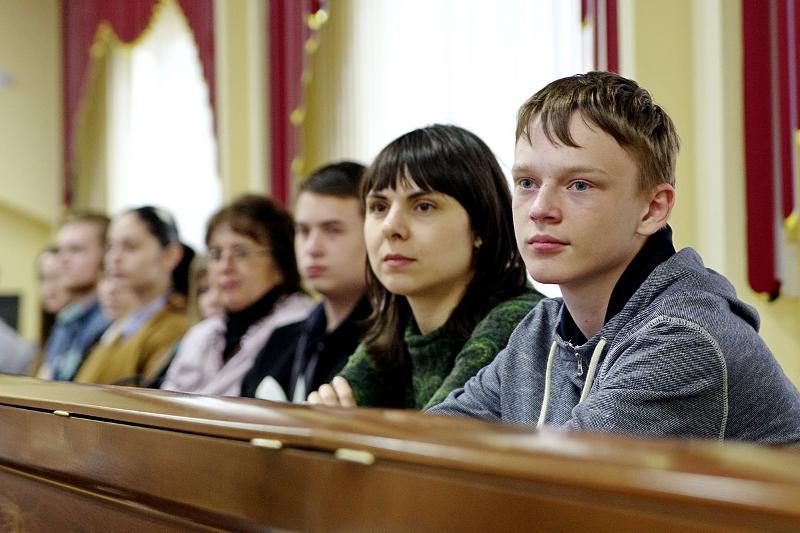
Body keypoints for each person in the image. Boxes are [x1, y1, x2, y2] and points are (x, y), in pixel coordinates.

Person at [428, 71, 800, 444]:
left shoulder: (684, 339)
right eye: (527, 183)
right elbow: (428, 445)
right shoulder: (541, 330)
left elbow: (565, 477)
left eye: (579, 185)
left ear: (653, 209)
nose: (539, 209)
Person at [308, 125, 543, 410]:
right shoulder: (397, 323)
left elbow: (437, 430)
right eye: (379, 207)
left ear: (480, 226)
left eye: (423, 206)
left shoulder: (521, 321)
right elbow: (327, 413)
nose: (390, 227)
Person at [241, 162, 371, 401]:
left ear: (373, 233)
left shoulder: (387, 347)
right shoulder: (282, 340)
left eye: (332, 230)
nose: (312, 248)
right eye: (303, 231)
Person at [161, 194, 314, 396]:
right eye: (216, 254)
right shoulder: (203, 334)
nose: (225, 266)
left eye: (241, 253)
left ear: (281, 265)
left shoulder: (300, 330)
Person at [73, 206, 194, 386]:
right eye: (110, 247)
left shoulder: (176, 327)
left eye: (130, 247)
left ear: (170, 255)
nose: (114, 258)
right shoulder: (122, 324)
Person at [37, 212, 111, 381]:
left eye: (76, 249)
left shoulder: (111, 320)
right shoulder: (66, 320)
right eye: (60, 250)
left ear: (106, 254)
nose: (62, 260)